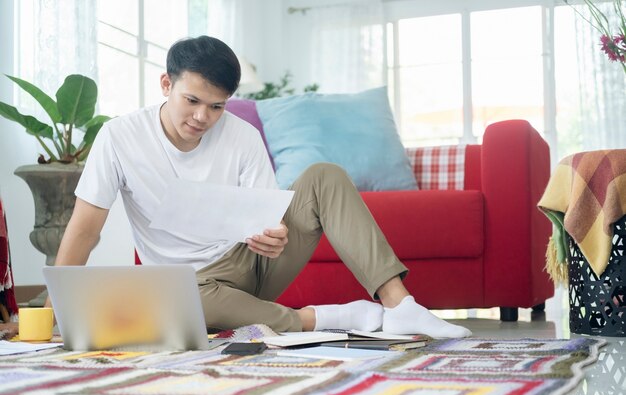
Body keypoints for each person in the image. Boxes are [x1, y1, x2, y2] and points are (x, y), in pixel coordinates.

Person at [48, 36, 471, 339]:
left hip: (249, 265)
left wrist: (273, 235)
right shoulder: (120, 138)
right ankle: (322, 320)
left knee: (324, 175)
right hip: (189, 283)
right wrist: (56, 311)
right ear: (166, 85)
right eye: (191, 101)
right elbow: (85, 229)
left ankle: (399, 305)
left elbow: (265, 216)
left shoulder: (241, 135)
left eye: (216, 107)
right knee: (174, 302)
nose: (202, 117)